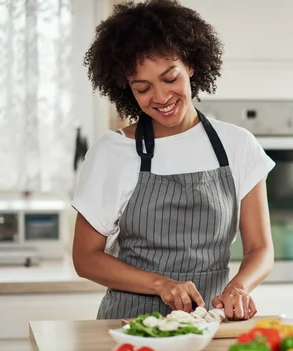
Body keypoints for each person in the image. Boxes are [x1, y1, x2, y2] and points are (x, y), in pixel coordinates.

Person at [71, 0, 275, 321]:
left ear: (190, 65)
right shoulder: (113, 151)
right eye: (143, 88)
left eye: (170, 78)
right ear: (128, 89)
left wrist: (239, 287)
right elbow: (85, 258)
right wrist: (160, 284)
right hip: (130, 325)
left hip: (210, 323)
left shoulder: (237, 145)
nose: (161, 97)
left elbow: (260, 249)